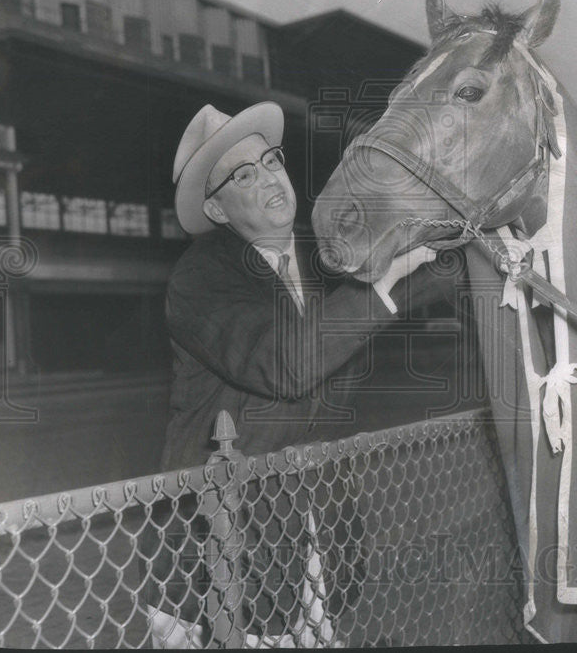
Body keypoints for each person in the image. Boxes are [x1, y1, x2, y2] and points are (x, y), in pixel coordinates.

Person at [140, 102, 443, 648]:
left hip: (318, 545)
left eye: (272, 159)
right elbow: (286, 364)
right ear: (216, 208)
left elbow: (417, 281)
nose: (270, 177)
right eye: (244, 174)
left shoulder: (324, 254)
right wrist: (386, 277)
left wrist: (470, 240)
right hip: (220, 559)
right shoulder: (201, 277)